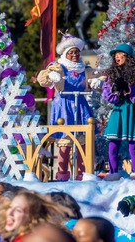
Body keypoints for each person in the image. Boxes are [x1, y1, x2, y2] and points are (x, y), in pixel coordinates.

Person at [37, 33, 101, 181]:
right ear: (66, 53)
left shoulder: (83, 69)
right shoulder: (59, 67)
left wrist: (99, 80)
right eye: (71, 52)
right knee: (64, 142)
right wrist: (52, 76)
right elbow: (43, 78)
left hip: (81, 107)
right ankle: (62, 175)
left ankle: (82, 174)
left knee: (82, 142)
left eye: (77, 52)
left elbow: (97, 74)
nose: (75, 55)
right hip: (64, 106)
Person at [102, 43, 135, 181]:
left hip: (133, 111)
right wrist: (115, 90)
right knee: (112, 145)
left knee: (133, 146)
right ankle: (113, 172)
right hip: (118, 110)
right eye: (115, 55)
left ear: (127, 57)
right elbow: (107, 94)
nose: (117, 57)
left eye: (119, 54)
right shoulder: (111, 74)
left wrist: (129, 89)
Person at [0, 189, 70, 242]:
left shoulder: (40, 237)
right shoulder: (12, 237)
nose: (10, 213)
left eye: (18, 210)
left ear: (32, 216)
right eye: (10, 207)